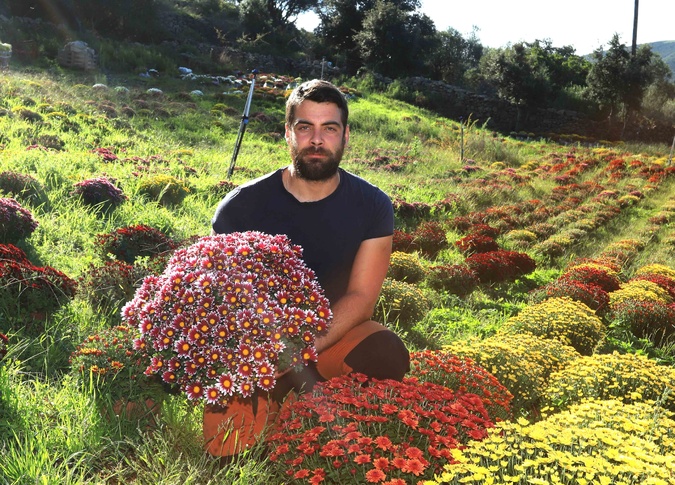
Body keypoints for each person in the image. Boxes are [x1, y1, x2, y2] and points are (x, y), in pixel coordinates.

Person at [207, 79, 410, 457]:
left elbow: (361, 298)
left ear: (345, 135)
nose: (317, 140)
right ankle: (287, 404)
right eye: (305, 127)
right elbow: (221, 301)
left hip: (330, 333)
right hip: (257, 345)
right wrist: (268, 356)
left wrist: (300, 353)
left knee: (385, 351)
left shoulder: (372, 205)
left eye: (329, 128)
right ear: (288, 132)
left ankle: (317, 405)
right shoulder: (240, 207)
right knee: (229, 453)